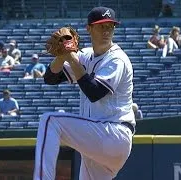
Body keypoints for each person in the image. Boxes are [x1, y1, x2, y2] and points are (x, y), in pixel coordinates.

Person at [33, 6, 135, 180]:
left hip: (114, 133)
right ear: (89, 28)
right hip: (98, 142)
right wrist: (62, 56)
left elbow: (95, 92)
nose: (107, 30)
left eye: (110, 26)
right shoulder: (86, 55)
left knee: (50, 121)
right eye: (101, 26)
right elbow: (50, 79)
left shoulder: (117, 59)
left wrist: (71, 57)